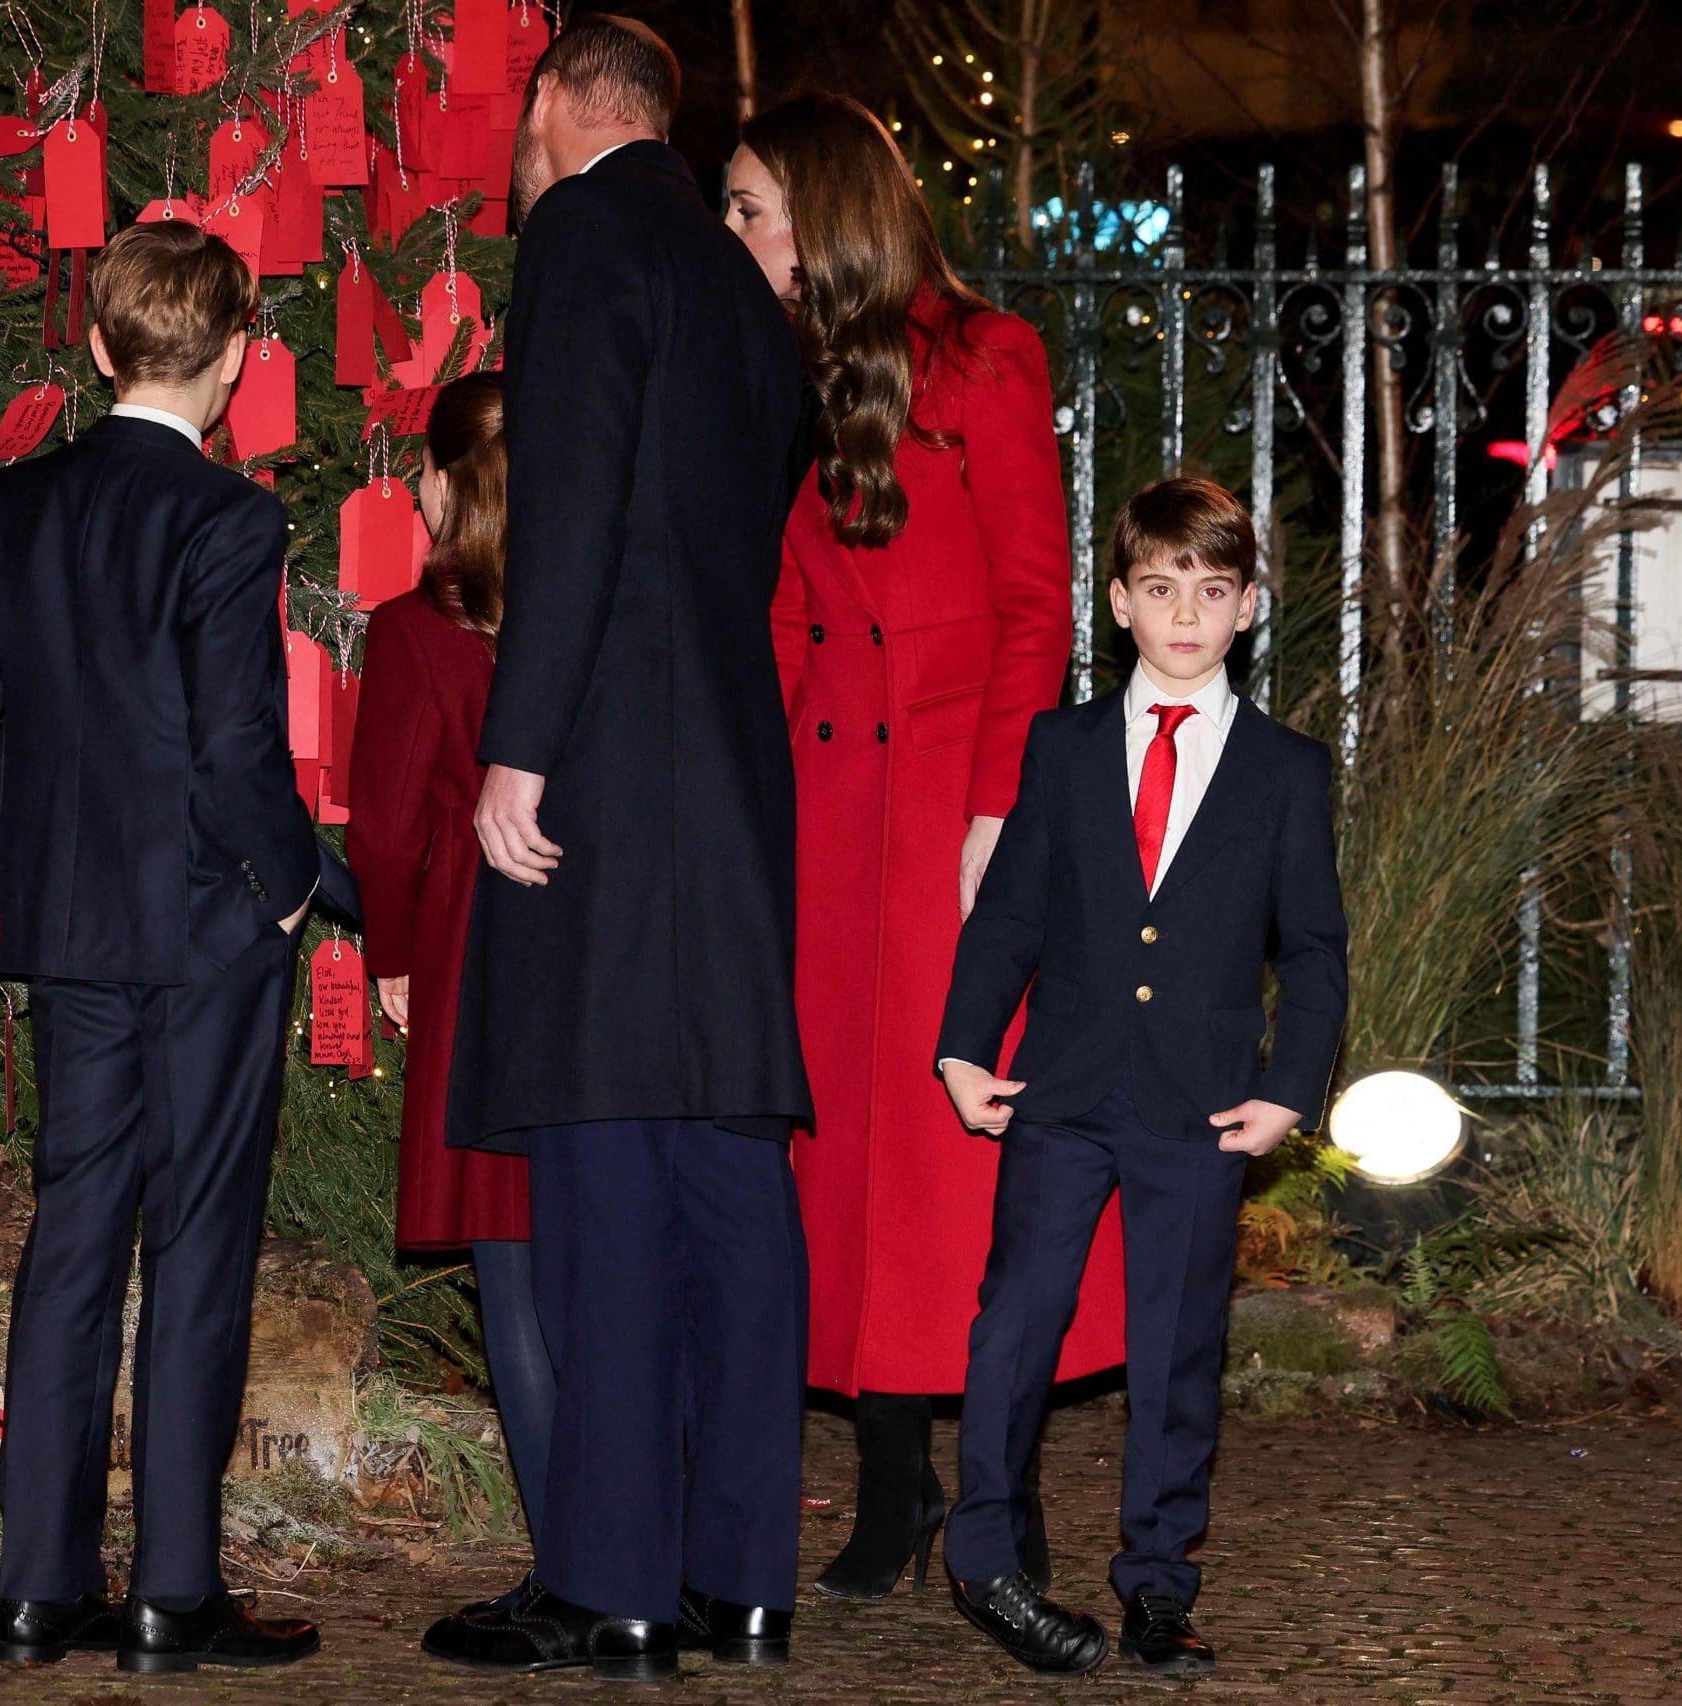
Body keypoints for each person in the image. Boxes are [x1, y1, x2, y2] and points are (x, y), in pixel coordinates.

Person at [419, 16, 812, 1684]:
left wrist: (522, 745)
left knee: (599, 1175)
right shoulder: (742, 281)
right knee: (726, 1172)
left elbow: (568, 500)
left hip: (608, 773)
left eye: (520, 120)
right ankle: (739, 1577)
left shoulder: (583, 231)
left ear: (566, 107)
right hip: (730, 775)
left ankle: (610, 1580)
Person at [0, 220, 356, 1676]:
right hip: (211, 928)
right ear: (234, 360)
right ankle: (172, 1590)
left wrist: (19, 867)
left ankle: (40, 1587)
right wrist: (292, 887)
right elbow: (237, 749)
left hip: (78, 931)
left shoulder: (18, 505)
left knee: (73, 1241)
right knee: (201, 1245)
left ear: (99, 347)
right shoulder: (229, 520)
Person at [725, 92, 1122, 1603]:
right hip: (829, 816)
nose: (739, 231)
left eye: (756, 203)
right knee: (849, 1157)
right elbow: (772, 606)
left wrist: (1001, 817)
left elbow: (1037, 601)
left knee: (958, 1157)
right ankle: (894, 1479)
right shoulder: (779, 367)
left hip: (956, 807)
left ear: (827, 208)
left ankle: (988, 1492)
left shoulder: (986, 355)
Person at [933, 478, 1348, 1679]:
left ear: (1246, 608)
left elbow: (1315, 945)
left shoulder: (1284, 768)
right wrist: (964, 1045)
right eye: (1160, 589)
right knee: (1014, 1321)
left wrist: (1289, 1085)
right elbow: (1009, 914)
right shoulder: (1058, 746)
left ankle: (1159, 1581)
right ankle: (987, 1552)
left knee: (1176, 1346)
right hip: (1058, 1086)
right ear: (1118, 603)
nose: (1185, 614)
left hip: (1202, 1103)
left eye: (1211, 592)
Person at [343, 373, 555, 1549]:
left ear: (443, 483)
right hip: (590, 938)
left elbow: (384, 824)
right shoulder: (595, 611)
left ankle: (561, 1542)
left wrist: (395, 954)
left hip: (476, 944)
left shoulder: (414, 629)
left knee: (509, 1255)